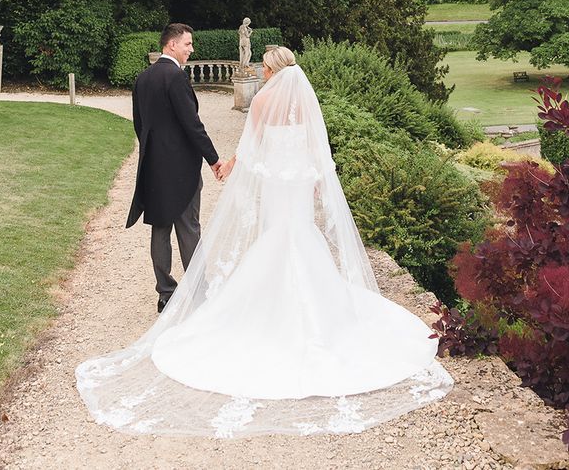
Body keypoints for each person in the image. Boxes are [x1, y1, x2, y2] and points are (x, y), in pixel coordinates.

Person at [78, 46, 452, 438]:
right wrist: (319, 181)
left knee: (276, 236)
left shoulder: (260, 102)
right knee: (301, 236)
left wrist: (232, 167)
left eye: (264, 67)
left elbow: (250, 148)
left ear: (270, 70)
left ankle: (266, 304)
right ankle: (317, 310)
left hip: (277, 183)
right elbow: (316, 146)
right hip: (299, 181)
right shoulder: (305, 102)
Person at [126, 23, 223, 313]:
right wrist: (214, 159)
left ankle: (165, 292)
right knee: (189, 228)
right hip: (181, 170)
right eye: (187, 44)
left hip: (153, 167)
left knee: (160, 228)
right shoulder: (176, 77)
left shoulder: (143, 78)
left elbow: (139, 124)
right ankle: (198, 292)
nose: (191, 50)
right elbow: (192, 125)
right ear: (171, 45)